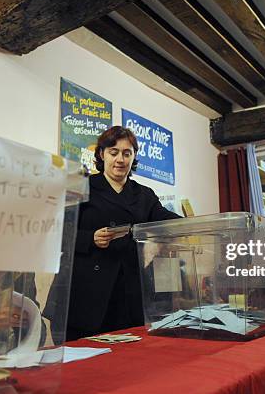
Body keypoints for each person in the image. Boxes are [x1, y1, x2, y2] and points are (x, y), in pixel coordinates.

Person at [66, 126, 180, 340]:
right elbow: (60, 230)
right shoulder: (82, 187)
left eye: (127, 153)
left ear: (134, 157)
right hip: (87, 297)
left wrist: (194, 224)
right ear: (102, 154)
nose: (120, 159)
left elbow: (164, 217)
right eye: (114, 152)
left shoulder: (143, 194)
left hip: (130, 295)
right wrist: (90, 238)